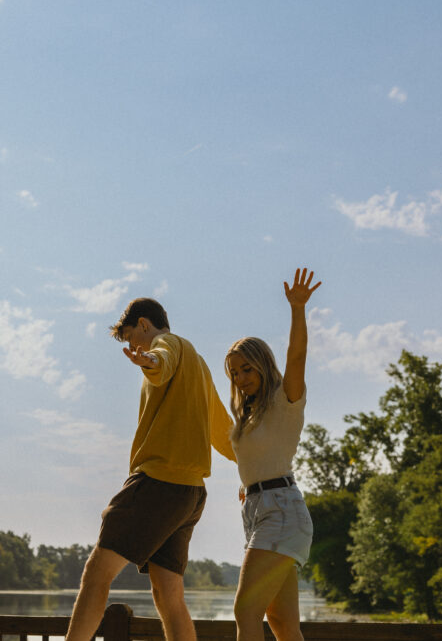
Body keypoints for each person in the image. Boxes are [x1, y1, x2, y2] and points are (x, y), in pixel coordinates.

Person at [63, 298, 237, 641]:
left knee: (96, 575)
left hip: (159, 482)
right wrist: (254, 464)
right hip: (190, 494)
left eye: (131, 338)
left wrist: (150, 360)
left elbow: (163, 358)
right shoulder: (199, 365)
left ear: (145, 324)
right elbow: (222, 430)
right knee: (168, 595)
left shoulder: (168, 345)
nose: (133, 348)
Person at [226, 268, 321, 641]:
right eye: (234, 373)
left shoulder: (285, 401)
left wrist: (297, 309)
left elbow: (297, 356)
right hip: (259, 511)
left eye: (247, 368)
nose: (241, 377)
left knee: (245, 610)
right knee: (282, 624)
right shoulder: (248, 416)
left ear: (263, 365)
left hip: (281, 512)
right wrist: (249, 485)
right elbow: (255, 460)